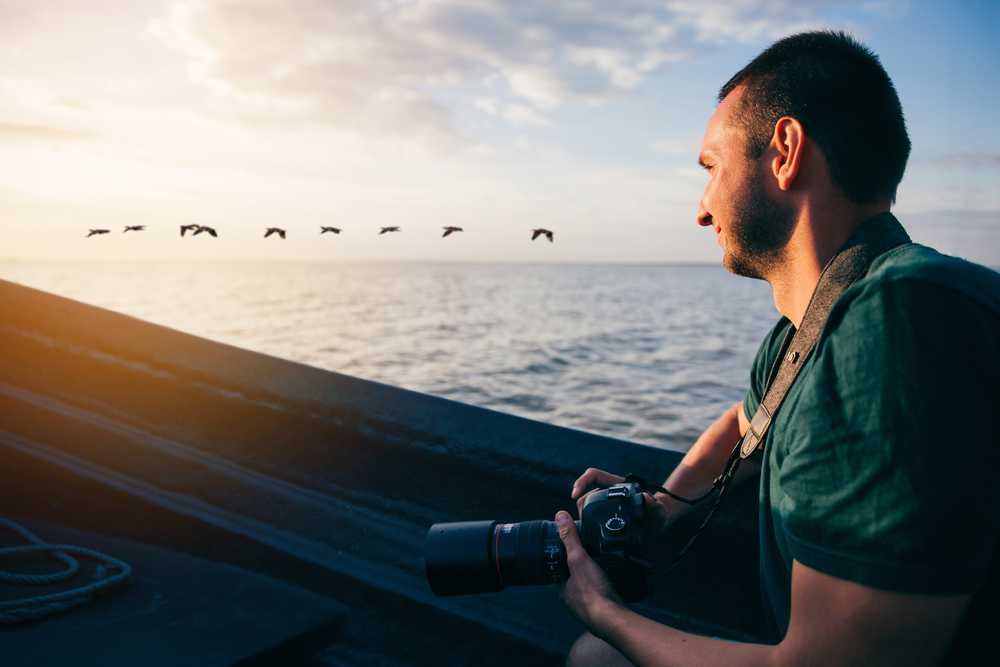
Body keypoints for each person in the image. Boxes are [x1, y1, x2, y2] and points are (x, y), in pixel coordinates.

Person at [555, 30, 1000, 667]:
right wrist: (663, 508)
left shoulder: (898, 318)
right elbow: (746, 425)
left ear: (785, 152)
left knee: (592, 655)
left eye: (712, 168)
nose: (702, 211)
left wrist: (604, 612)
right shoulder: (805, 336)